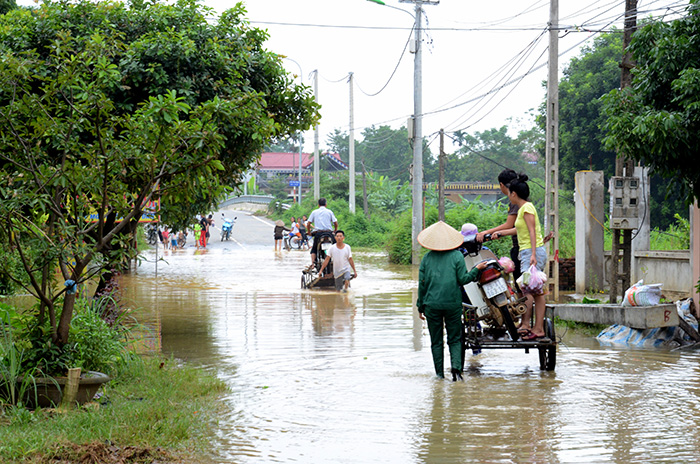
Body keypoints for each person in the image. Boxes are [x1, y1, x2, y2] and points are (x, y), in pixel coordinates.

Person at [416, 221, 486, 381]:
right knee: (454, 339)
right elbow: (463, 279)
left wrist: (420, 306)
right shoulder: (456, 256)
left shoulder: (427, 259)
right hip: (452, 304)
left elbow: (422, 285)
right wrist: (476, 269)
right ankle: (456, 371)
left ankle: (439, 375)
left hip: (431, 305)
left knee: (436, 341)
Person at [492, 174, 548, 341]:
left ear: (514, 193)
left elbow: (532, 231)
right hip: (527, 251)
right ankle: (529, 326)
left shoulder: (527, 208)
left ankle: (536, 328)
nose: (508, 196)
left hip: (532, 252)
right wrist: (500, 233)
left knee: (535, 291)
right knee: (531, 290)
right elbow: (520, 230)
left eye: (509, 193)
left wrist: (532, 255)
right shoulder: (524, 209)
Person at [476, 169, 522, 279]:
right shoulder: (522, 199)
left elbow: (509, 225)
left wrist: (487, 232)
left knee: (523, 285)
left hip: (522, 247)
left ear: (501, 185)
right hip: (523, 246)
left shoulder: (515, 201)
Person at [306, 198, 338, 265]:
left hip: (318, 234)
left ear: (318, 205)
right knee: (336, 247)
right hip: (329, 233)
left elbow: (308, 224)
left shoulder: (314, 212)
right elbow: (335, 223)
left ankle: (313, 264)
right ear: (326, 204)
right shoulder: (329, 212)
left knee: (314, 249)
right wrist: (335, 230)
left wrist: (309, 232)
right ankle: (338, 262)